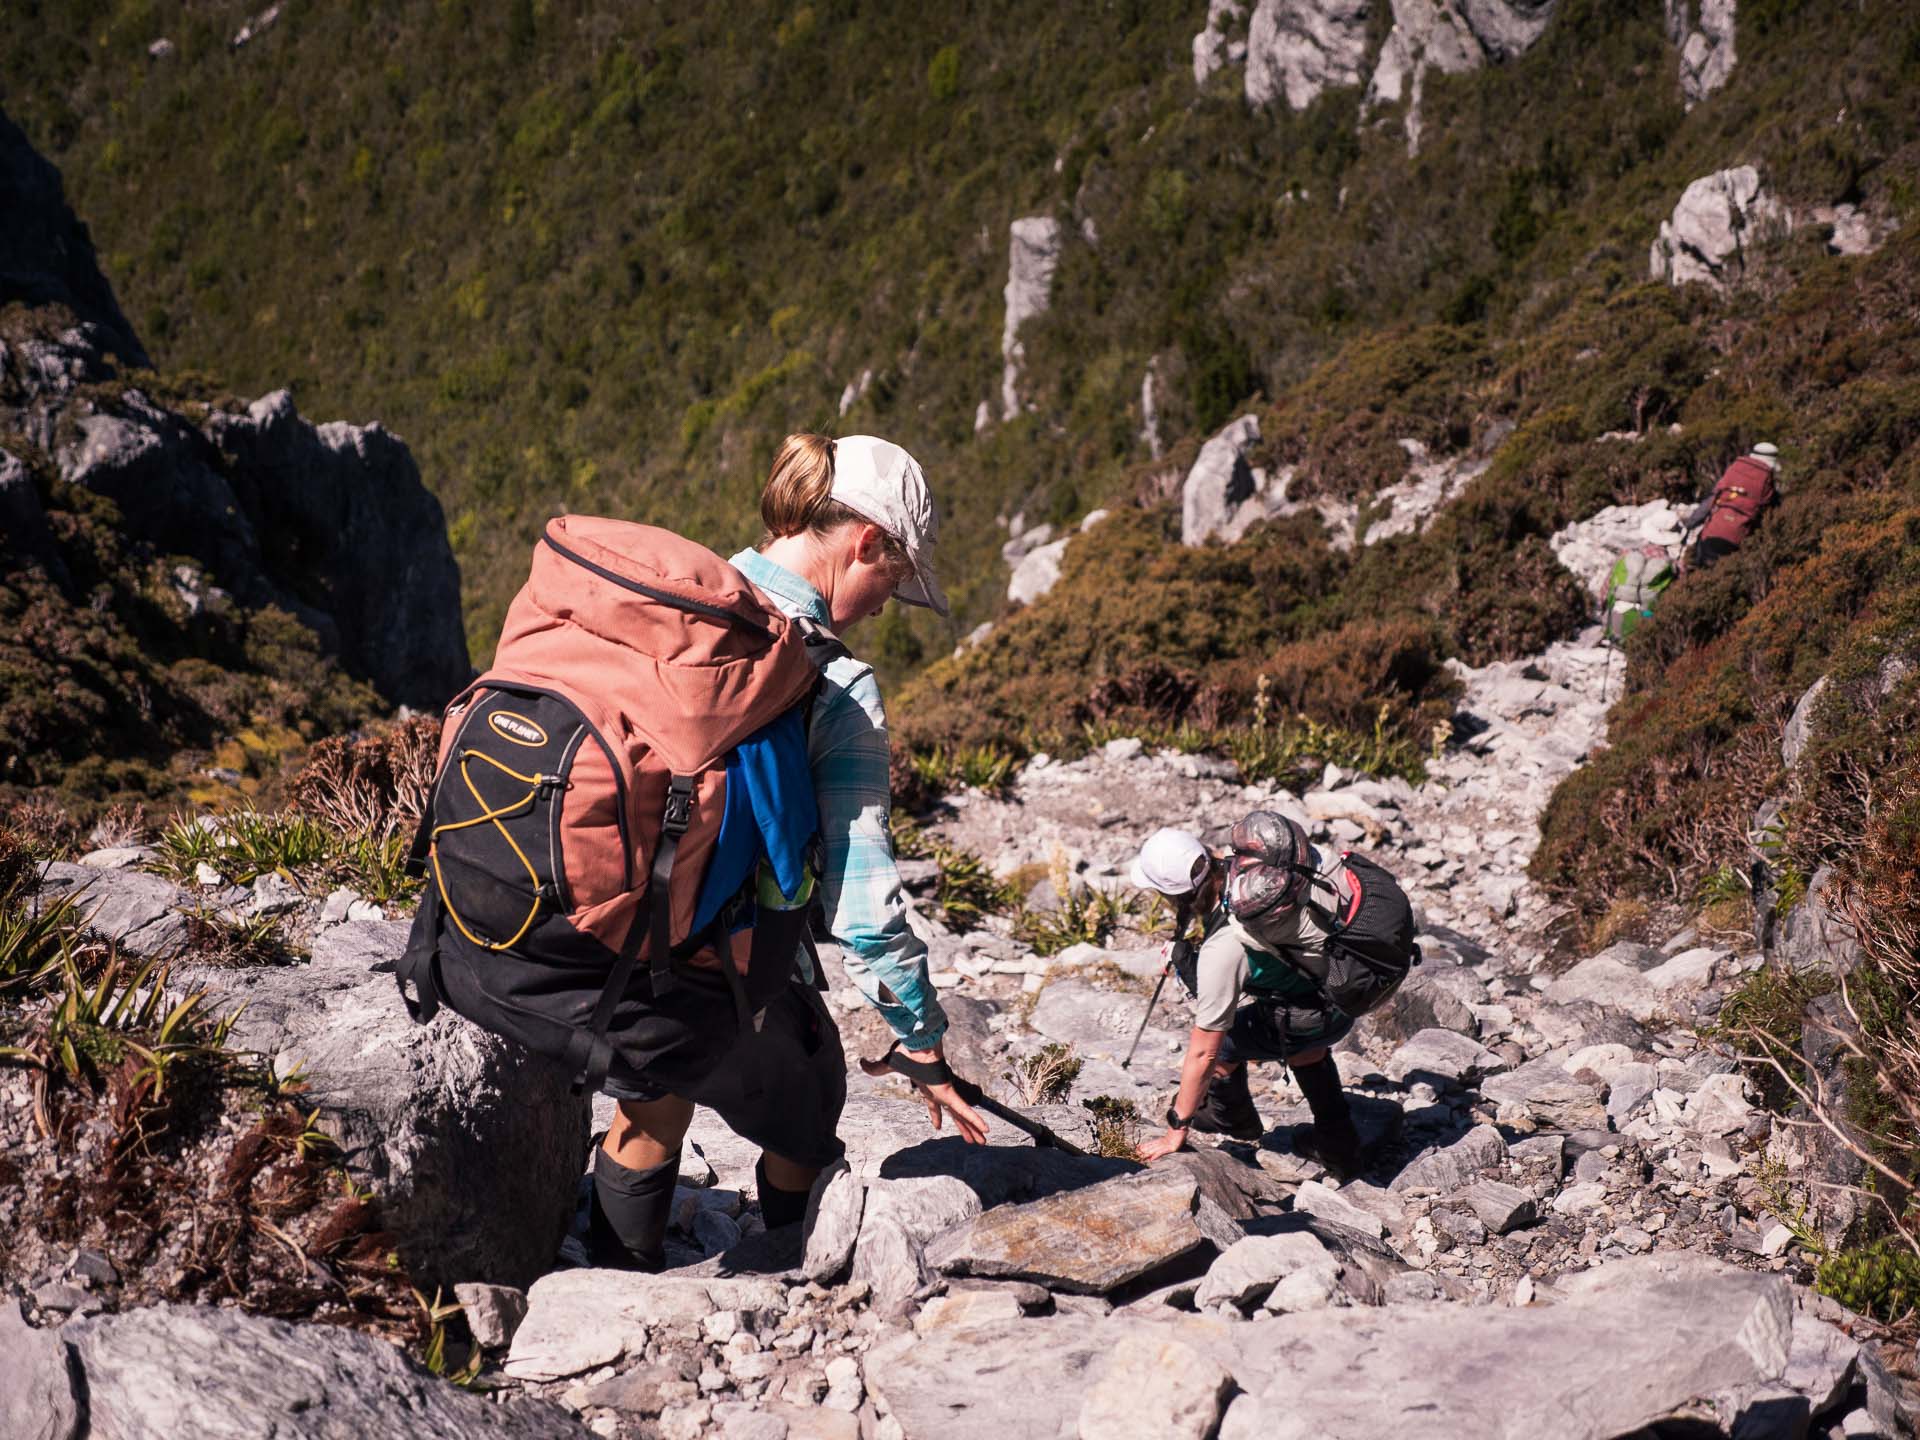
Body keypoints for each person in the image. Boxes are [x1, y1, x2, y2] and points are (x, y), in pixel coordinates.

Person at [589, 433, 990, 1270]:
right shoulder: (833, 681)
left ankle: (606, 1278)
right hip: (711, 957)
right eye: (894, 578)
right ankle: (790, 1271)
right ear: (866, 543)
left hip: (586, 916)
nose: (885, 603)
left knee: (653, 1098)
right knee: (809, 1100)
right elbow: (863, 900)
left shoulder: (674, 605)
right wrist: (920, 1042)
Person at [1128, 824, 1364, 1177]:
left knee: (1224, 1045)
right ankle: (1339, 1144)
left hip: (1316, 1011)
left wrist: (1177, 1128)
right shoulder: (1257, 869)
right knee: (1301, 1042)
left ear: (1171, 895)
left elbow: (1202, 1050)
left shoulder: (1225, 946)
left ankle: (1235, 1121)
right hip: (1349, 983)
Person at [1683, 441, 1780, 572]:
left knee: (1702, 572)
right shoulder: (1767, 482)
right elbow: (1768, 515)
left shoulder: (1735, 469)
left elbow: (1710, 501)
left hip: (1712, 532)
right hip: (1736, 539)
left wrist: (1690, 523)